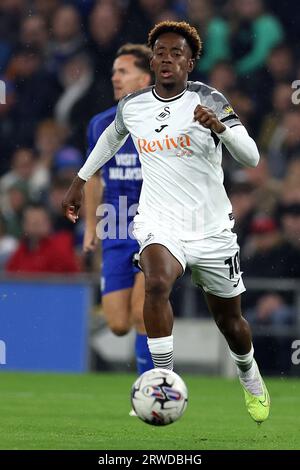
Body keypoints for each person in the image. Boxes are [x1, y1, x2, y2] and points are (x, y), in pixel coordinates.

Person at [62, 21, 270, 424]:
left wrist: (220, 128)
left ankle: (250, 374)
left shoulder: (209, 98)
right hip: (160, 220)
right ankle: (163, 379)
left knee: (232, 324)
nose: (167, 58)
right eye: (160, 52)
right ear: (153, 59)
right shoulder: (134, 106)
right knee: (156, 282)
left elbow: (252, 158)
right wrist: (81, 179)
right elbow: (110, 137)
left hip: (210, 226)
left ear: (190, 62)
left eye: (177, 53)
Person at [83, 44, 154, 379]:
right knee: (118, 324)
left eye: (122, 71)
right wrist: (89, 228)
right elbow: (92, 177)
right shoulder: (100, 124)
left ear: (145, 78)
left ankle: (153, 388)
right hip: (114, 230)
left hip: (153, 228)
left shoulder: (161, 122)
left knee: (143, 313)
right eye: (113, 71)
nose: (115, 77)